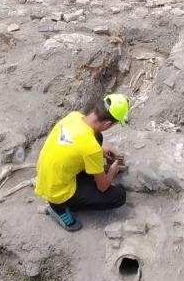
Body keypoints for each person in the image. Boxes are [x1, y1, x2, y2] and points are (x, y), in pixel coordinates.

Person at [35, 93, 129, 231]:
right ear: (108, 123)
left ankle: (70, 193)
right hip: (57, 192)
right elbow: (102, 187)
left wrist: (101, 149)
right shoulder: (91, 147)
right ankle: (58, 208)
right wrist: (113, 171)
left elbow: (76, 141)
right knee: (119, 196)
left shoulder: (74, 116)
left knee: (97, 136)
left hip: (47, 176)